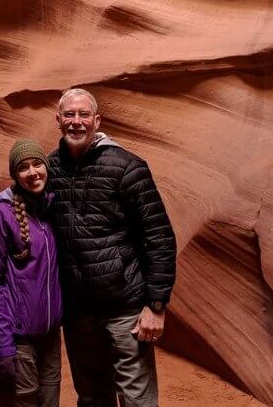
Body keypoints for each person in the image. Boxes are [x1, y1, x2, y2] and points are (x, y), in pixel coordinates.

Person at [47, 88, 177, 407]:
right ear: (58, 120)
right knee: (92, 397)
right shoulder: (49, 170)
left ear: (97, 120)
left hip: (125, 307)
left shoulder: (127, 167)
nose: (76, 122)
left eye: (84, 115)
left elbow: (158, 236)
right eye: (69, 115)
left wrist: (156, 305)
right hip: (78, 311)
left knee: (136, 399)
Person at [0, 139, 63, 407]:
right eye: (23, 168)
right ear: (15, 175)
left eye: (37, 163)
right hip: (17, 340)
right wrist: (3, 347)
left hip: (50, 336)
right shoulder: (1, 214)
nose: (32, 172)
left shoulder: (50, 208)